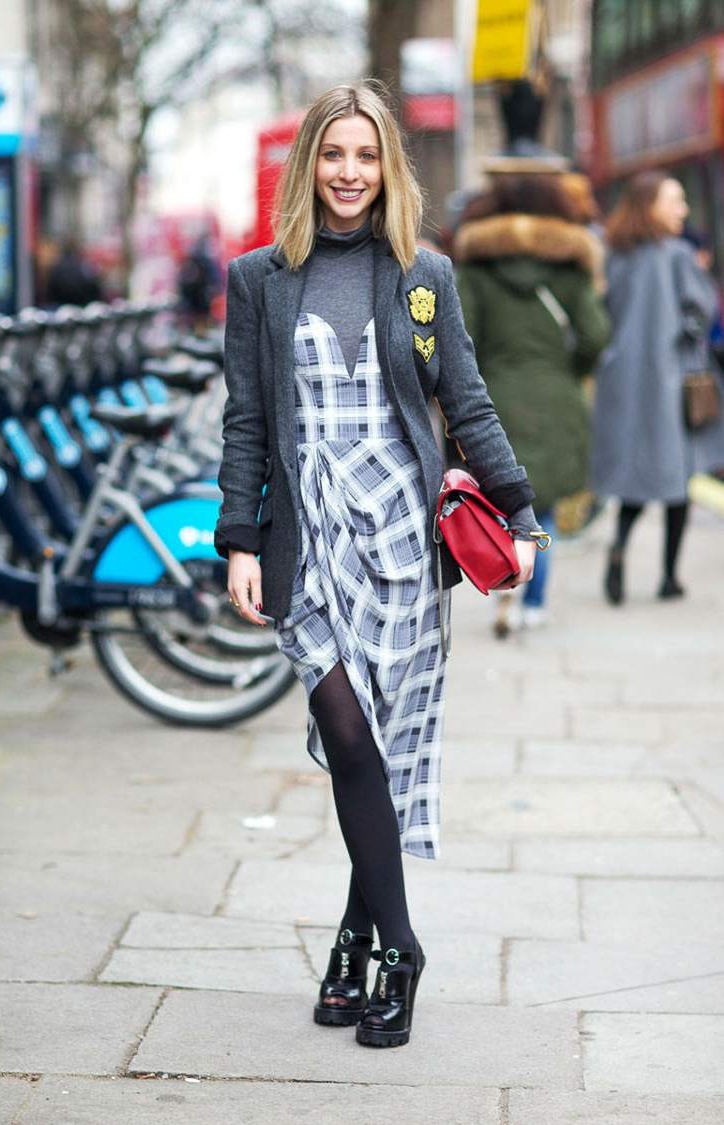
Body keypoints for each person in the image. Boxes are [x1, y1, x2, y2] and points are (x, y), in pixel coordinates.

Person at [214, 83, 543, 1049]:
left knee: (381, 759)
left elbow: (467, 404)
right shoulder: (259, 278)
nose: (348, 173)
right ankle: (401, 946)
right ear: (307, 165)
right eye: (332, 155)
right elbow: (246, 422)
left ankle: (352, 944)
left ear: (387, 167)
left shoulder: (423, 272)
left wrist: (519, 514)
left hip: (399, 540)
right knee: (349, 737)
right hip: (308, 541)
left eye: (365, 156)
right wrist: (238, 536)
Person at [453, 172, 610, 634]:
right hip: (557, 395)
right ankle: (535, 601)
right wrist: (573, 368)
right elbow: (597, 333)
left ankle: (504, 583)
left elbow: (462, 338)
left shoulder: (476, 270)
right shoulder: (570, 266)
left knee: (503, 500)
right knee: (541, 507)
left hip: (494, 398)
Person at [592, 172, 720, 604]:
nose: (682, 210)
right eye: (675, 201)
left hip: (625, 382)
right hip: (671, 381)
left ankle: (618, 551)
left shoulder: (617, 256)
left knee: (636, 476)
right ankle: (668, 577)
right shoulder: (680, 256)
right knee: (675, 480)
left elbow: (602, 314)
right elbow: (700, 313)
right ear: (651, 206)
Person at [45, 238, 104, 307]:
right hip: (80, 305)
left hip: (61, 305)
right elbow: (92, 286)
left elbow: (51, 288)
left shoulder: (56, 266)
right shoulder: (80, 266)